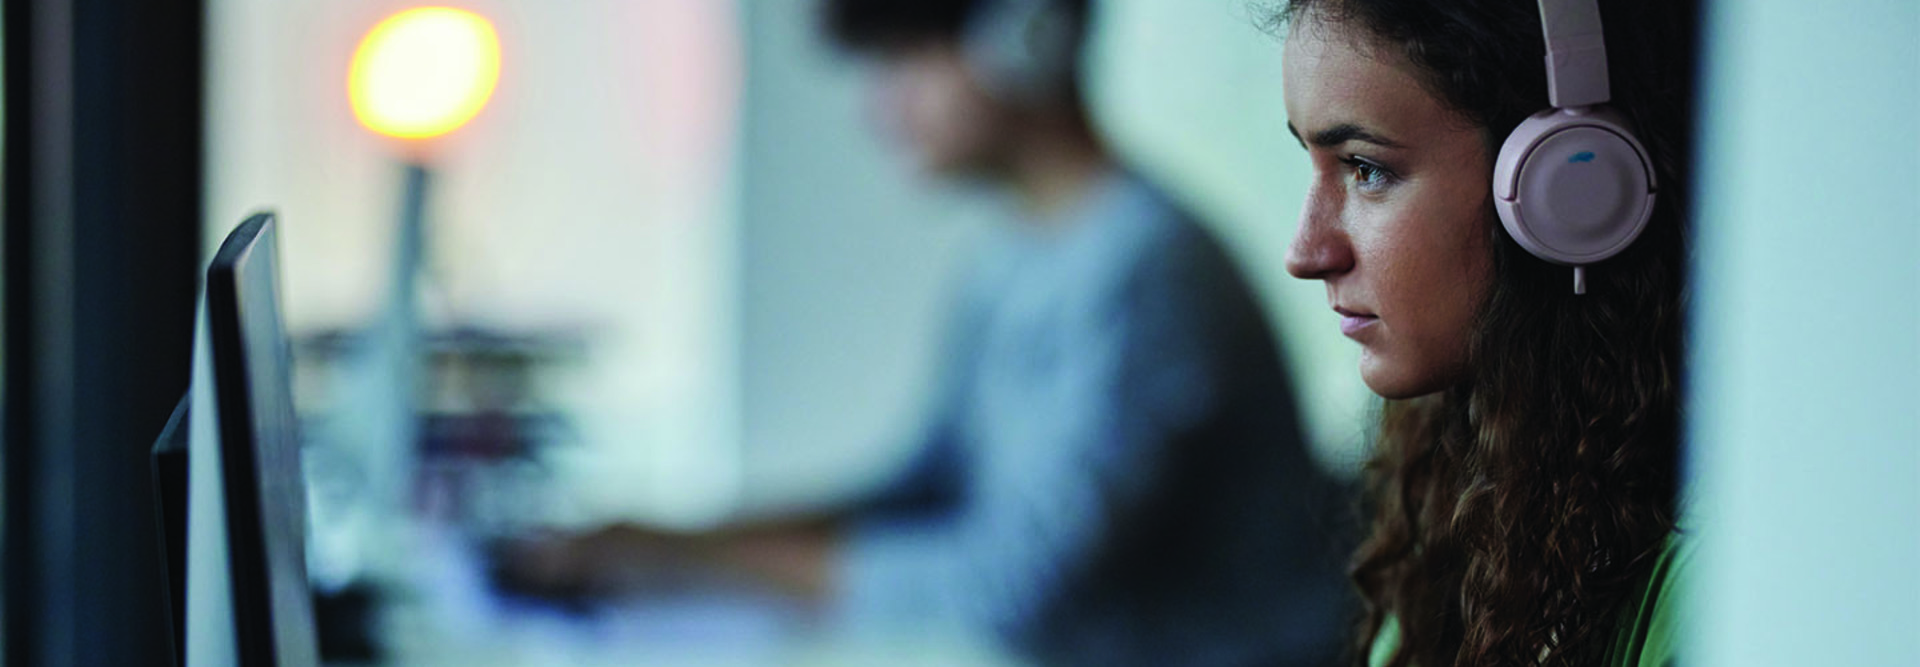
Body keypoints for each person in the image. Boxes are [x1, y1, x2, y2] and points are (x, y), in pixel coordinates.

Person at [499, 0, 1353, 665]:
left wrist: (683, 562)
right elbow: (924, 487)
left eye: (903, 64)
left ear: (1024, 38)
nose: (881, 110)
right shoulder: (1013, 258)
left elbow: (1013, 584)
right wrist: (659, 540)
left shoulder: (1150, 272)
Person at [1274, 0, 1698, 665]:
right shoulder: (1452, 464)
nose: (1304, 252)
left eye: (1366, 168)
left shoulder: (1714, 577)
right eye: (1311, 159)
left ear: (1564, 185)